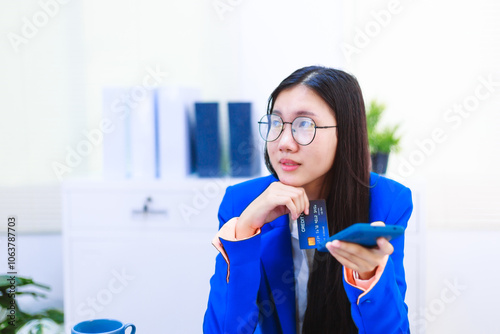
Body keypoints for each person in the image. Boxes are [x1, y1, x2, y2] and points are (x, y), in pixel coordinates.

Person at [203, 66, 413, 333]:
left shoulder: (387, 201)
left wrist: (369, 277)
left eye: (305, 125)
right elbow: (222, 330)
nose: (284, 143)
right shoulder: (241, 202)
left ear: (344, 133)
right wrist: (244, 232)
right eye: (276, 123)